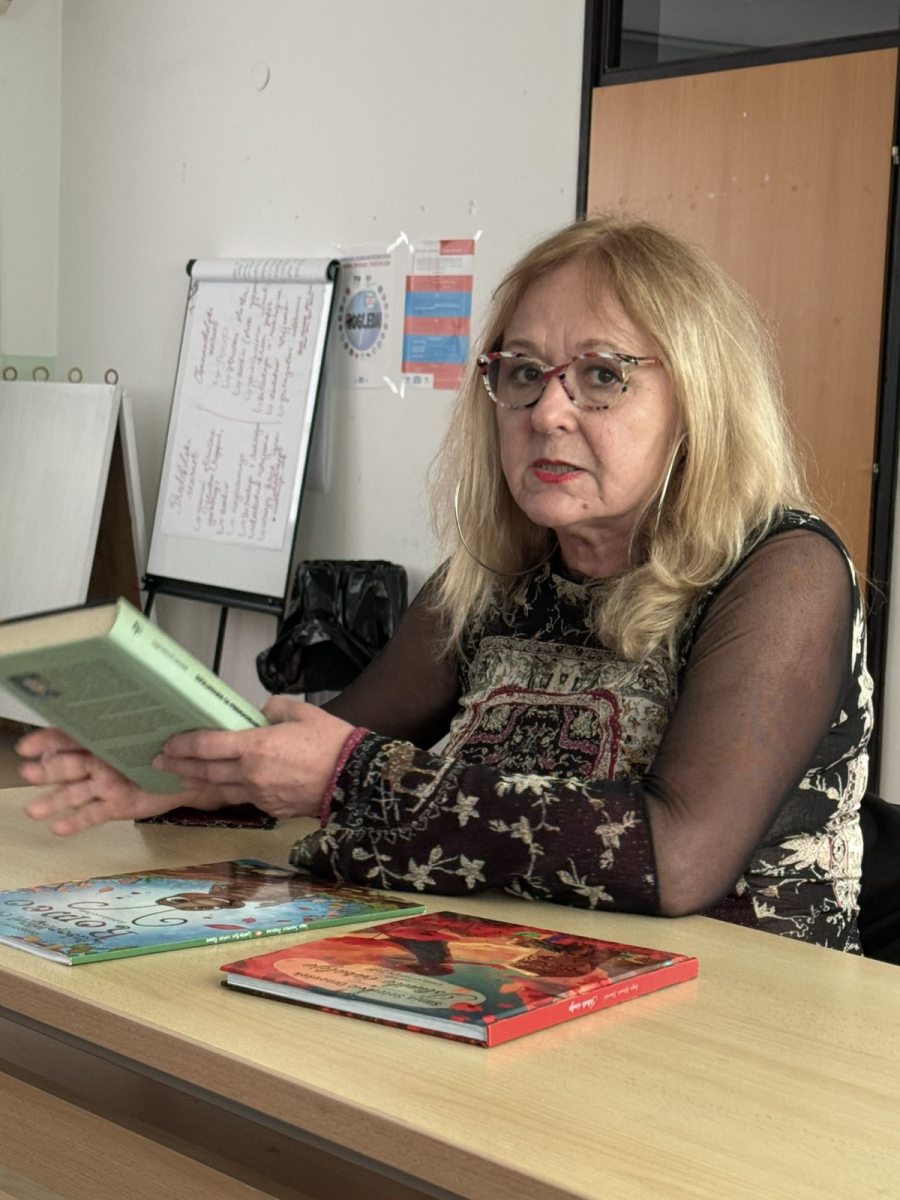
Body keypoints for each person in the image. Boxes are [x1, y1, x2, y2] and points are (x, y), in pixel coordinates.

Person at [17, 214, 872, 953]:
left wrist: (345, 776)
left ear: (701, 400)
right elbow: (327, 748)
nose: (547, 412)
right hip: (504, 965)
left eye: (603, 375)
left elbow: (678, 858)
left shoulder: (784, 572)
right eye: (524, 372)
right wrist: (183, 774)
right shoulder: (492, 574)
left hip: (735, 1017)